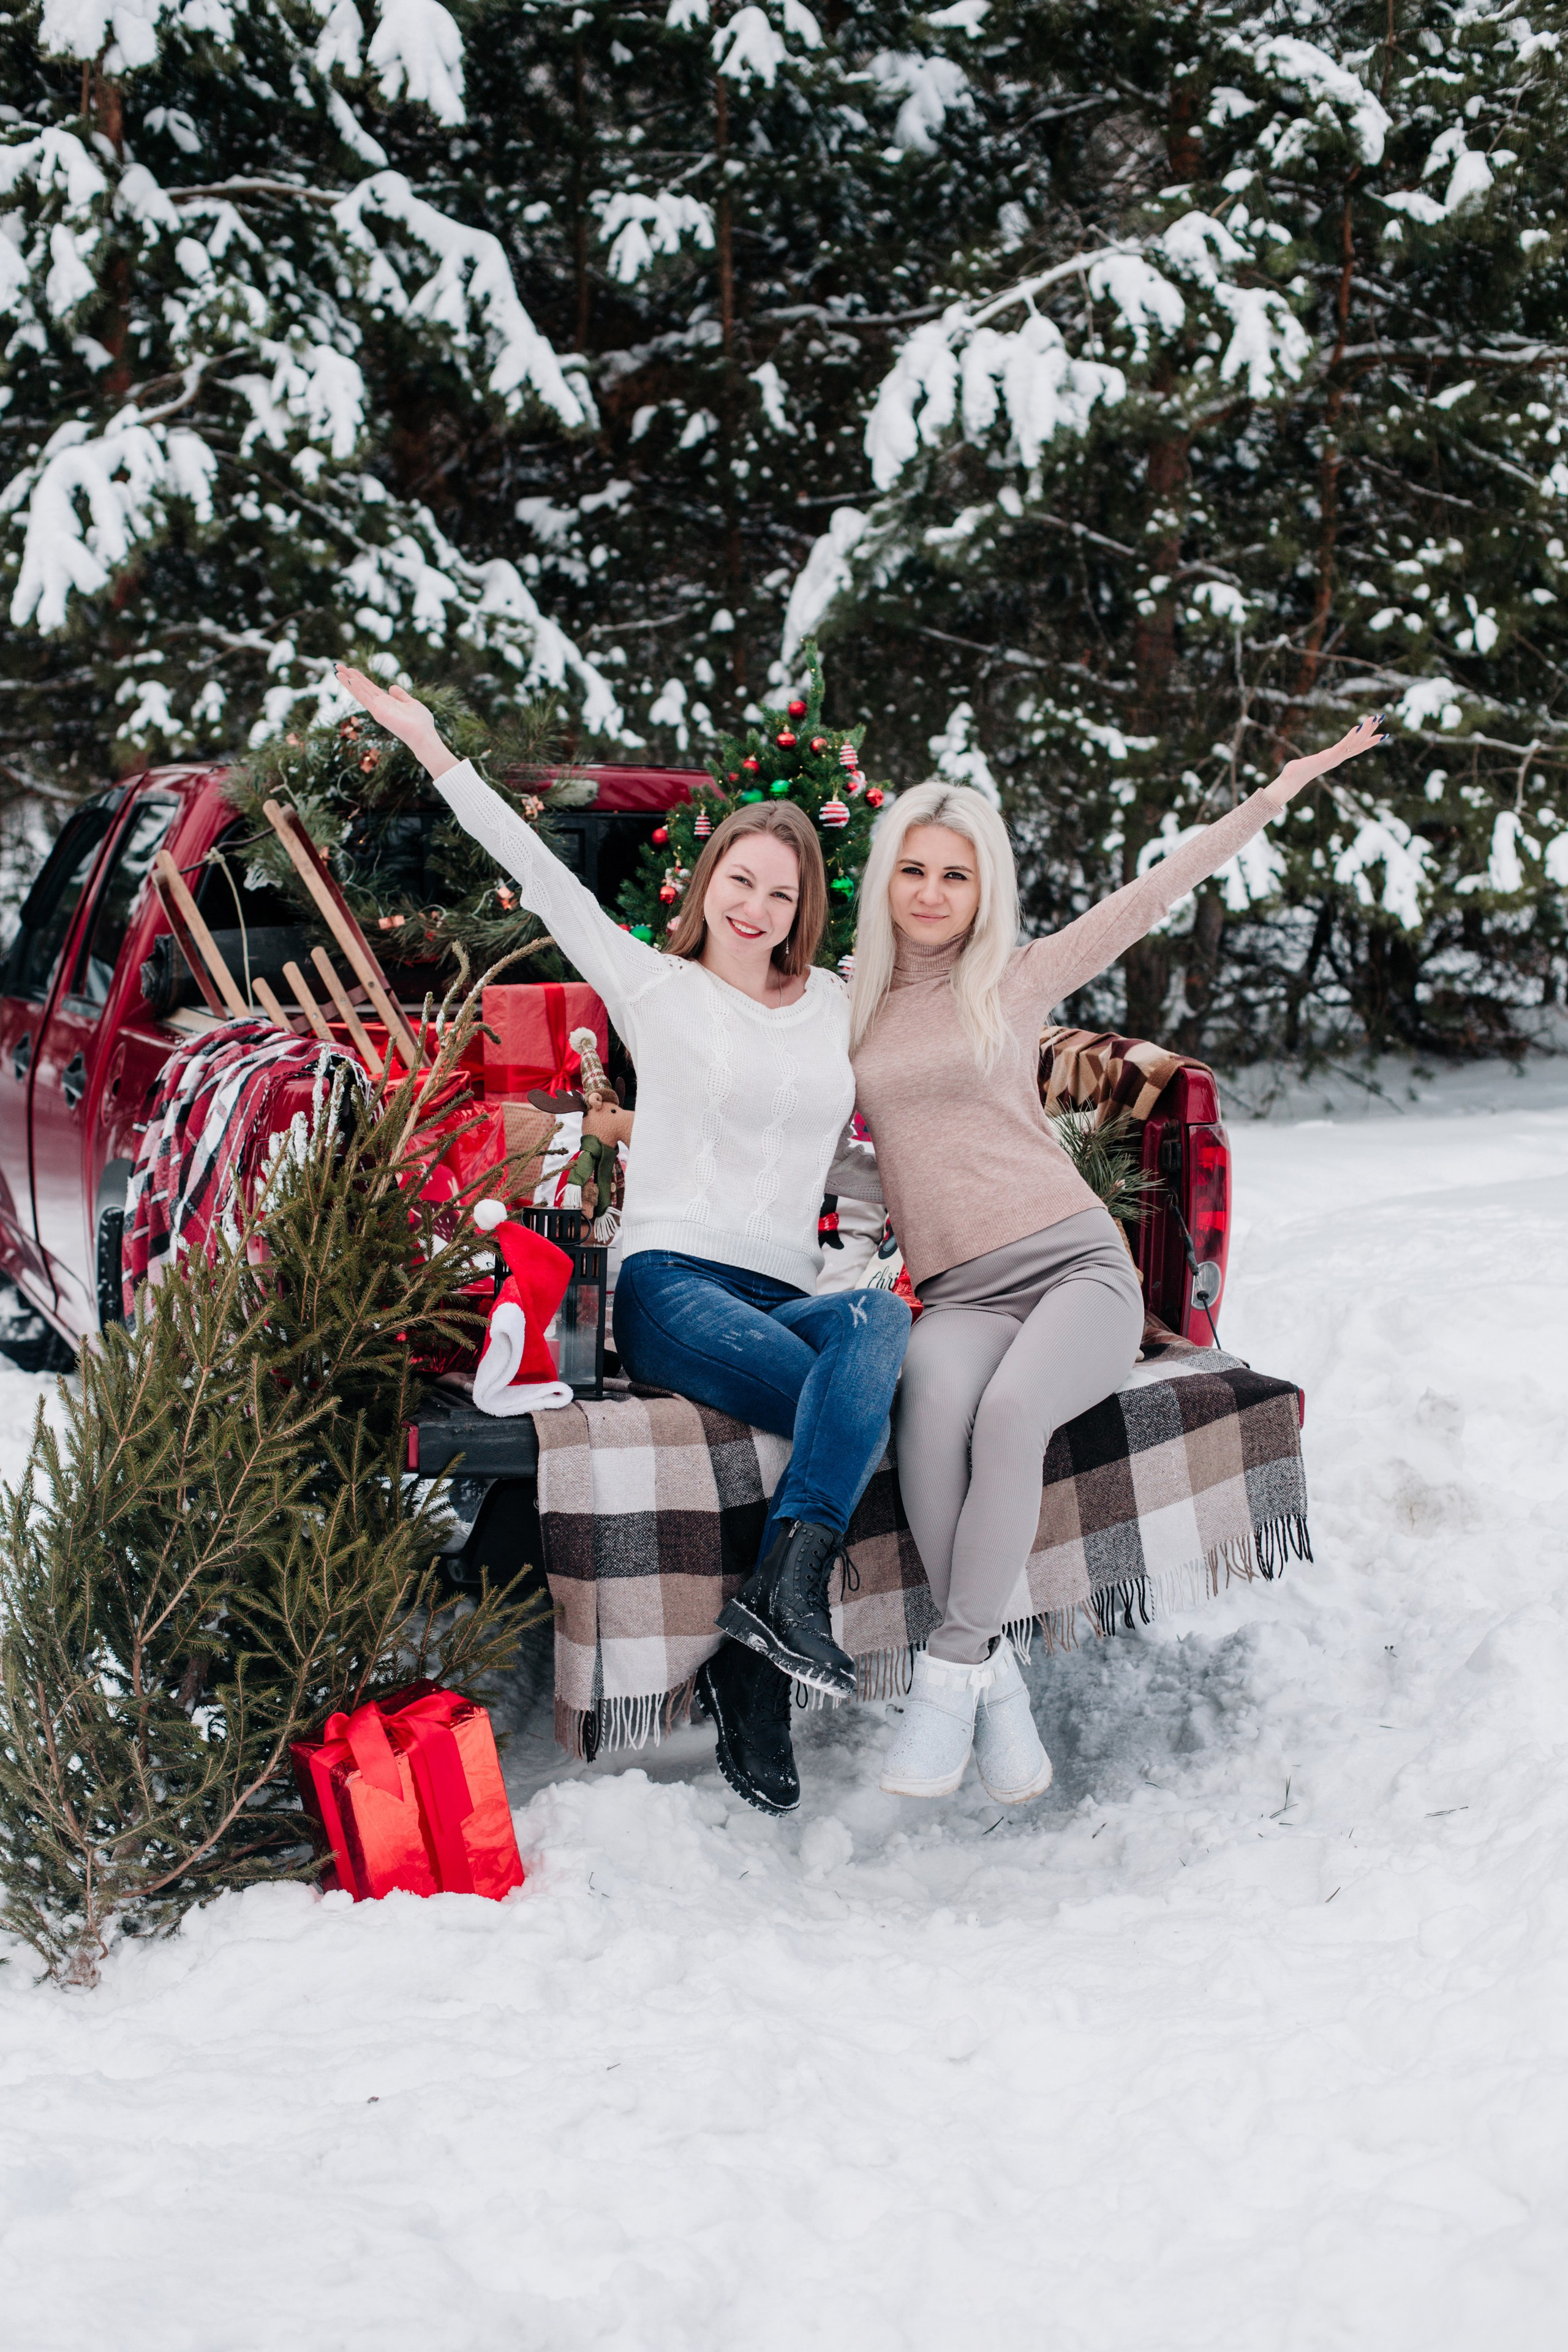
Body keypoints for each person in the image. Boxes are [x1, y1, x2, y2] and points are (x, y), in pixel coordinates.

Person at [334, 666, 911, 1819]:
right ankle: (765, 1655)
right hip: (669, 1282)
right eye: (739, 881)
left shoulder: (840, 1007)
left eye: (782, 892)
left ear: (808, 907)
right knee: (846, 1409)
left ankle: (761, 1628)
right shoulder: (656, 986)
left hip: (787, 1284)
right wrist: (431, 746)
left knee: (876, 1322)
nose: (756, 908)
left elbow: (875, 1117)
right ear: (707, 883)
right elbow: (535, 868)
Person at [850, 717, 1389, 1804]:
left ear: (984, 889)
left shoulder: (1011, 980)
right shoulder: (851, 1002)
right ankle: (996, 1684)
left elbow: (1152, 895)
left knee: (1010, 1418)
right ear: (885, 877)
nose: (931, 892)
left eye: (955, 874)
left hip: (1074, 1269)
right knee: (929, 1414)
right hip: (959, 1291)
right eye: (913, 869)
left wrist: (1278, 790)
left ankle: (947, 1673)